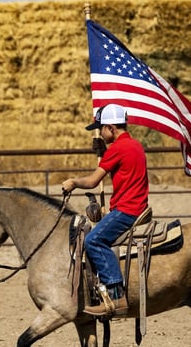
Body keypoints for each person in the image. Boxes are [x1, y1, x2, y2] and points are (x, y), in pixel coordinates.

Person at [62, 104, 149, 318]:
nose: (100, 132)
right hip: (138, 206)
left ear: (110, 127)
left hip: (126, 210)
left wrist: (73, 182)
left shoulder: (118, 149)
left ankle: (116, 295)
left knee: (93, 240)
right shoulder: (135, 145)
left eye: (101, 128)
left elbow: (92, 182)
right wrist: (104, 152)